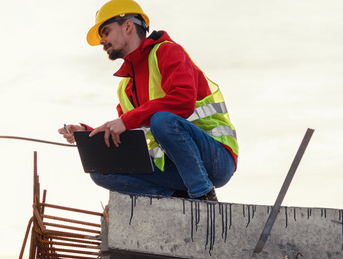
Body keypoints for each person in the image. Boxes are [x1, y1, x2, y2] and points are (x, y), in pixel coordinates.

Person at [58, 0, 238, 201]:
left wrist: (126, 121)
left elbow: (183, 100)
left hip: (215, 158)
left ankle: (203, 195)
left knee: (162, 120)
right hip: (176, 170)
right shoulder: (125, 88)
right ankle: (177, 197)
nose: (102, 41)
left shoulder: (166, 51)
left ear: (127, 26)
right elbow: (129, 137)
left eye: (106, 32)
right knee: (101, 171)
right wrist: (89, 135)